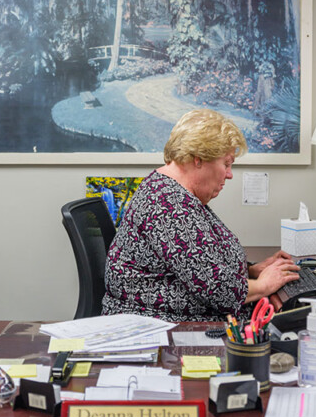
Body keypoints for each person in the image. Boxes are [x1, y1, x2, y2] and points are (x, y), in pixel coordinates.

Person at [102, 108, 300, 321]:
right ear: (198, 159)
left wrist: (250, 271)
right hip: (157, 326)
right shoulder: (168, 205)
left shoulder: (172, 192)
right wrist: (263, 286)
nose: (230, 174)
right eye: (226, 164)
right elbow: (218, 291)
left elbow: (199, 264)